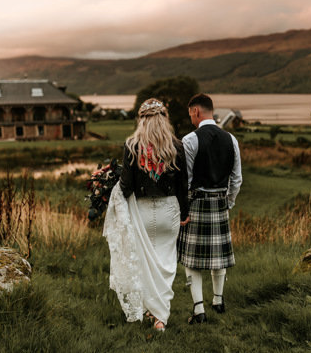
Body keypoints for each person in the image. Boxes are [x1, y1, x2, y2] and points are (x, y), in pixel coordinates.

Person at [103, 98, 188, 332]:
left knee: (146, 265)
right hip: (169, 210)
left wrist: (109, 191)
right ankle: (159, 316)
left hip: (141, 213)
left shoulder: (132, 145)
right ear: (164, 119)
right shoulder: (177, 146)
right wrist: (185, 213)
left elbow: (127, 186)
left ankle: (155, 314)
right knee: (165, 263)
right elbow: (183, 185)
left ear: (141, 120)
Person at [177, 93, 242, 324]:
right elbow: (237, 179)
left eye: (191, 115)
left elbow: (185, 179)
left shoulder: (189, 140)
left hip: (196, 204)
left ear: (196, 111)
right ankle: (218, 300)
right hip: (220, 203)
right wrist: (228, 202)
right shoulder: (231, 139)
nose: (191, 120)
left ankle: (199, 311)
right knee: (218, 257)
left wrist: (183, 209)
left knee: (191, 260)